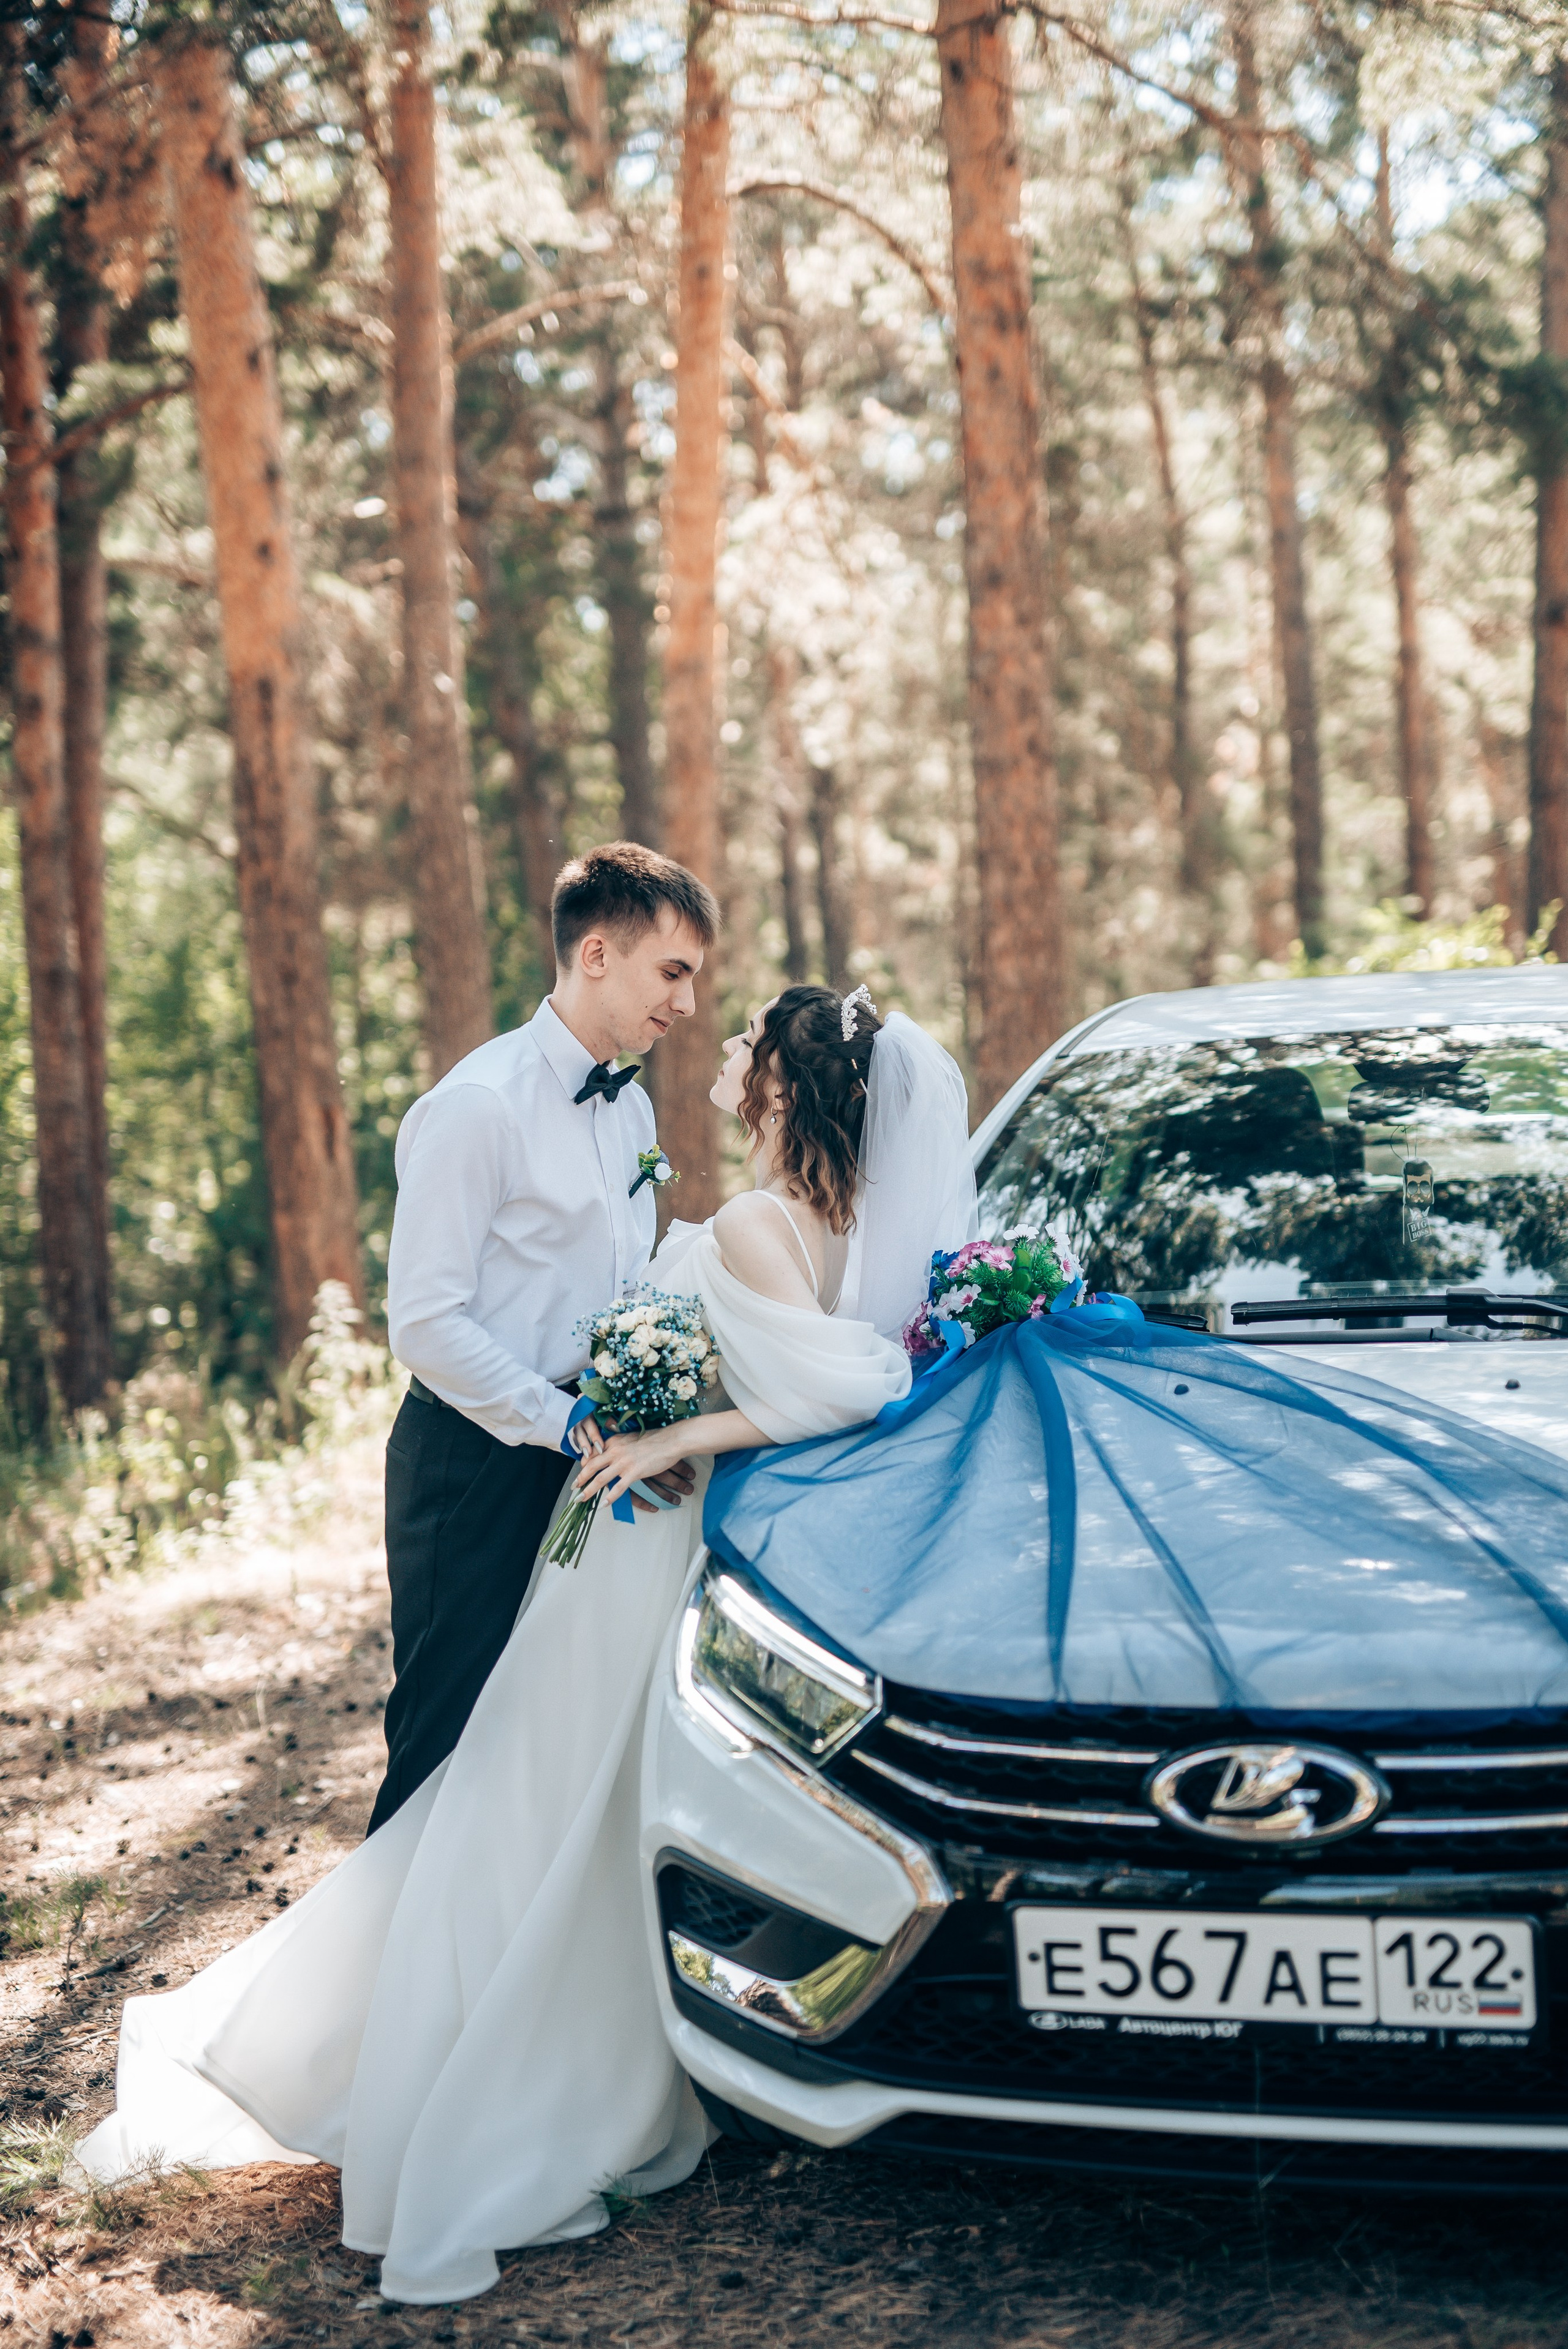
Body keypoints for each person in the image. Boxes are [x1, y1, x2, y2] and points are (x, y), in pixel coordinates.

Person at [76, 984, 978, 2307]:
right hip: (662, 1544)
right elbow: (849, 1368)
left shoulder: (752, 1218)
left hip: (632, 1547)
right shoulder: (849, 1226)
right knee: (580, 1798)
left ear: (785, 1085)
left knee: (528, 1789)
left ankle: (456, 2085)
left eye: (748, 1044)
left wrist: (675, 1433)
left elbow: (843, 1385)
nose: (723, 1047)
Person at [368, 841, 715, 1833]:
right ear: (596, 954)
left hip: (587, 1451)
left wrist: (642, 1420)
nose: (687, 1004)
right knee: (445, 1740)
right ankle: (386, 1980)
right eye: (673, 972)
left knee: (538, 1736)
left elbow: (619, 1286)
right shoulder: (479, 1108)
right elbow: (425, 1324)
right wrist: (567, 1426)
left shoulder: (631, 1103)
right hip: (473, 1461)